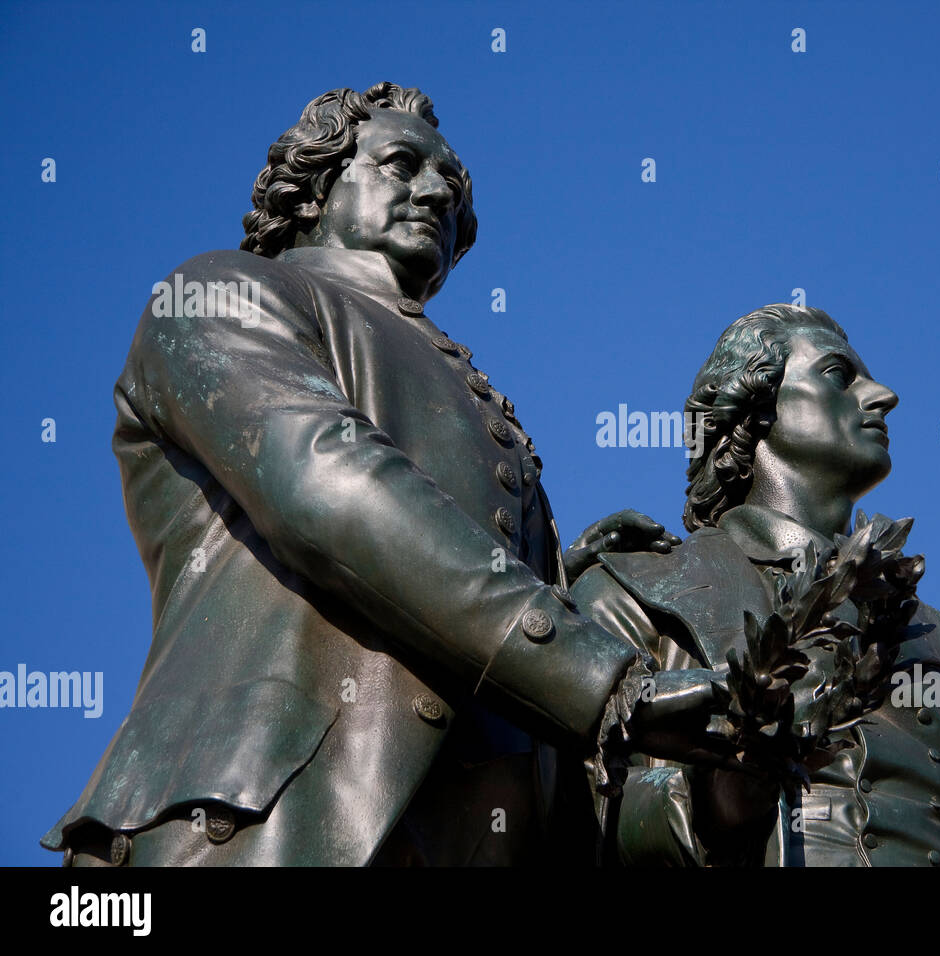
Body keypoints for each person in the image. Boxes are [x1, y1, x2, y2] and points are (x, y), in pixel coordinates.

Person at [42, 82, 693, 867]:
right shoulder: (223, 294)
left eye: (451, 186)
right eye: (401, 164)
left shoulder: (467, 390)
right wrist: (595, 670)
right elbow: (330, 489)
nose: (435, 193)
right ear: (315, 189)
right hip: (270, 822)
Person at [572, 304, 940, 866]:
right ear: (756, 405)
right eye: (839, 375)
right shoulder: (632, 591)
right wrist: (717, 799)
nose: (883, 394)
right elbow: (578, 817)